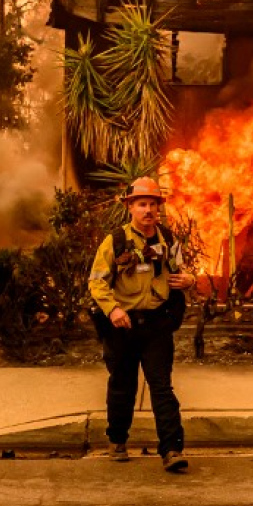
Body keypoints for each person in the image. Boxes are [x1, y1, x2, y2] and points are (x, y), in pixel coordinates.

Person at [88, 177, 197, 473]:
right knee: (122, 386)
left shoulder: (167, 240)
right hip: (122, 327)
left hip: (156, 326)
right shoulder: (115, 241)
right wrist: (112, 310)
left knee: (162, 387)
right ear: (130, 207)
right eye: (142, 204)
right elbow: (96, 282)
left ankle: (171, 450)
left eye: (152, 204)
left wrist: (189, 280)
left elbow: (181, 271)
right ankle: (118, 441)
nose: (148, 210)